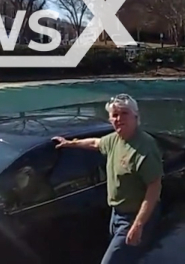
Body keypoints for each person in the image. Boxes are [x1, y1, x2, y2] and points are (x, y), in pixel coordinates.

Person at [51, 93, 163, 264]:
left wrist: (138, 225)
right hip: (116, 214)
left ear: (136, 116)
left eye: (124, 113)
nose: (118, 119)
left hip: (134, 217)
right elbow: (96, 143)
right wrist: (70, 144)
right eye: (114, 115)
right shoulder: (115, 139)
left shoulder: (144, 147)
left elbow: (154, 187)